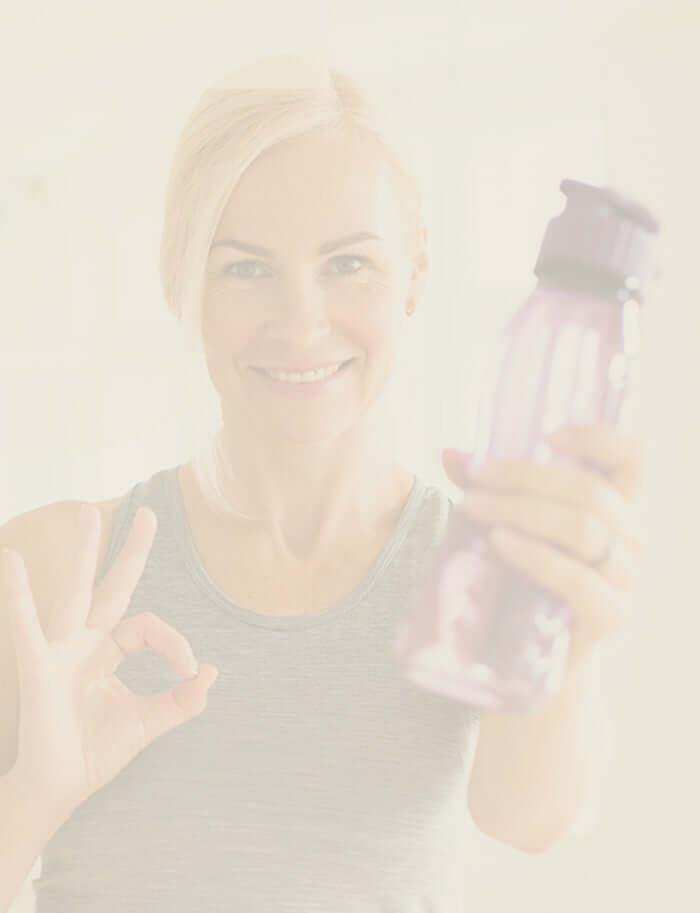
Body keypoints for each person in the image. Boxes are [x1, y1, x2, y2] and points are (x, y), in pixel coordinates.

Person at [0, 54, 647, 913]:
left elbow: (523, 818)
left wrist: (574, 638)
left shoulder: (479, 569)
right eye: (245, 267)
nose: (301, 325)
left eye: (347, 265)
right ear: (178, 280)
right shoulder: (49, 570)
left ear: (414, 275)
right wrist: (30, 798)